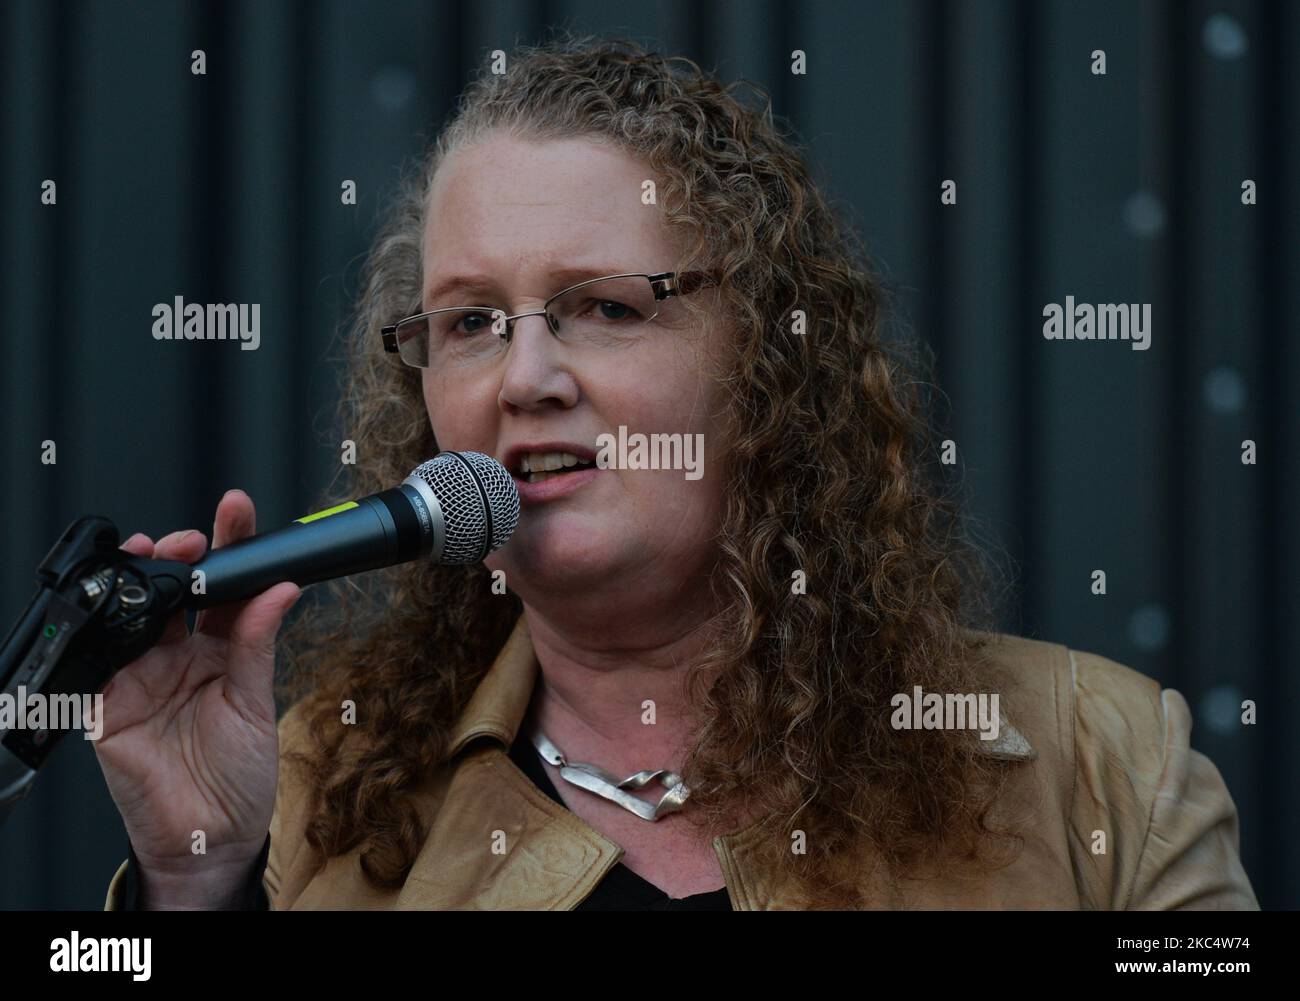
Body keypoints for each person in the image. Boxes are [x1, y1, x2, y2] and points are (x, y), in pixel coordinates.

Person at [96, 35, 1257, 910]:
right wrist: (197, 882)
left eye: (603, 307)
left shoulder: (1101, 766)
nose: (525, 376)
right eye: (468, 323)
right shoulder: (309, 799)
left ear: (763, 360)